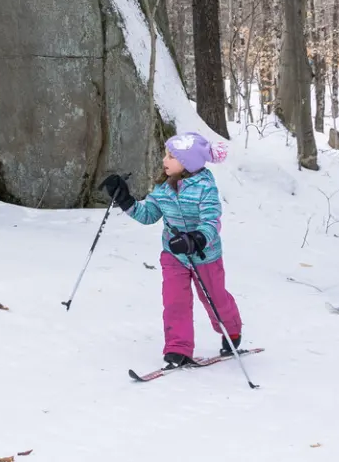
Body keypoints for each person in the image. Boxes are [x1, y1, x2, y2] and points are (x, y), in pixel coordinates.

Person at [99, 133, 243, 369]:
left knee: (215, 299)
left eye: (171, 156)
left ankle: (231, 332)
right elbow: (148, 215)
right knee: (175, 301)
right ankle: (178, 348)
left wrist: (197, 238)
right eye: (166, 154)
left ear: (188, 163)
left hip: (205, 256)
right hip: (174, 255)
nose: (164, 160)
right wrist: (125, 200)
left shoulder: (205, 188)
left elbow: (211, 222)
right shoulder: (163, 189)